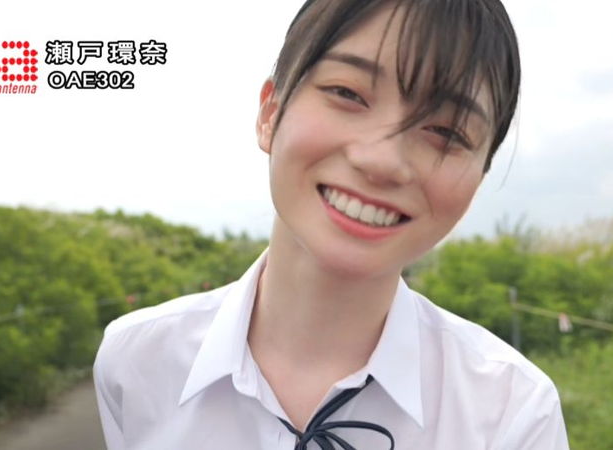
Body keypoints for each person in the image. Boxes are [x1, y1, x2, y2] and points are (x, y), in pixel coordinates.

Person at [93, 0, 570, 448]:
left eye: (445, 131)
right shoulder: (135, 361)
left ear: (480, 176)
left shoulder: (513, 412)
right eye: (348, 93)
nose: (382, 161)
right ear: (270, 112)